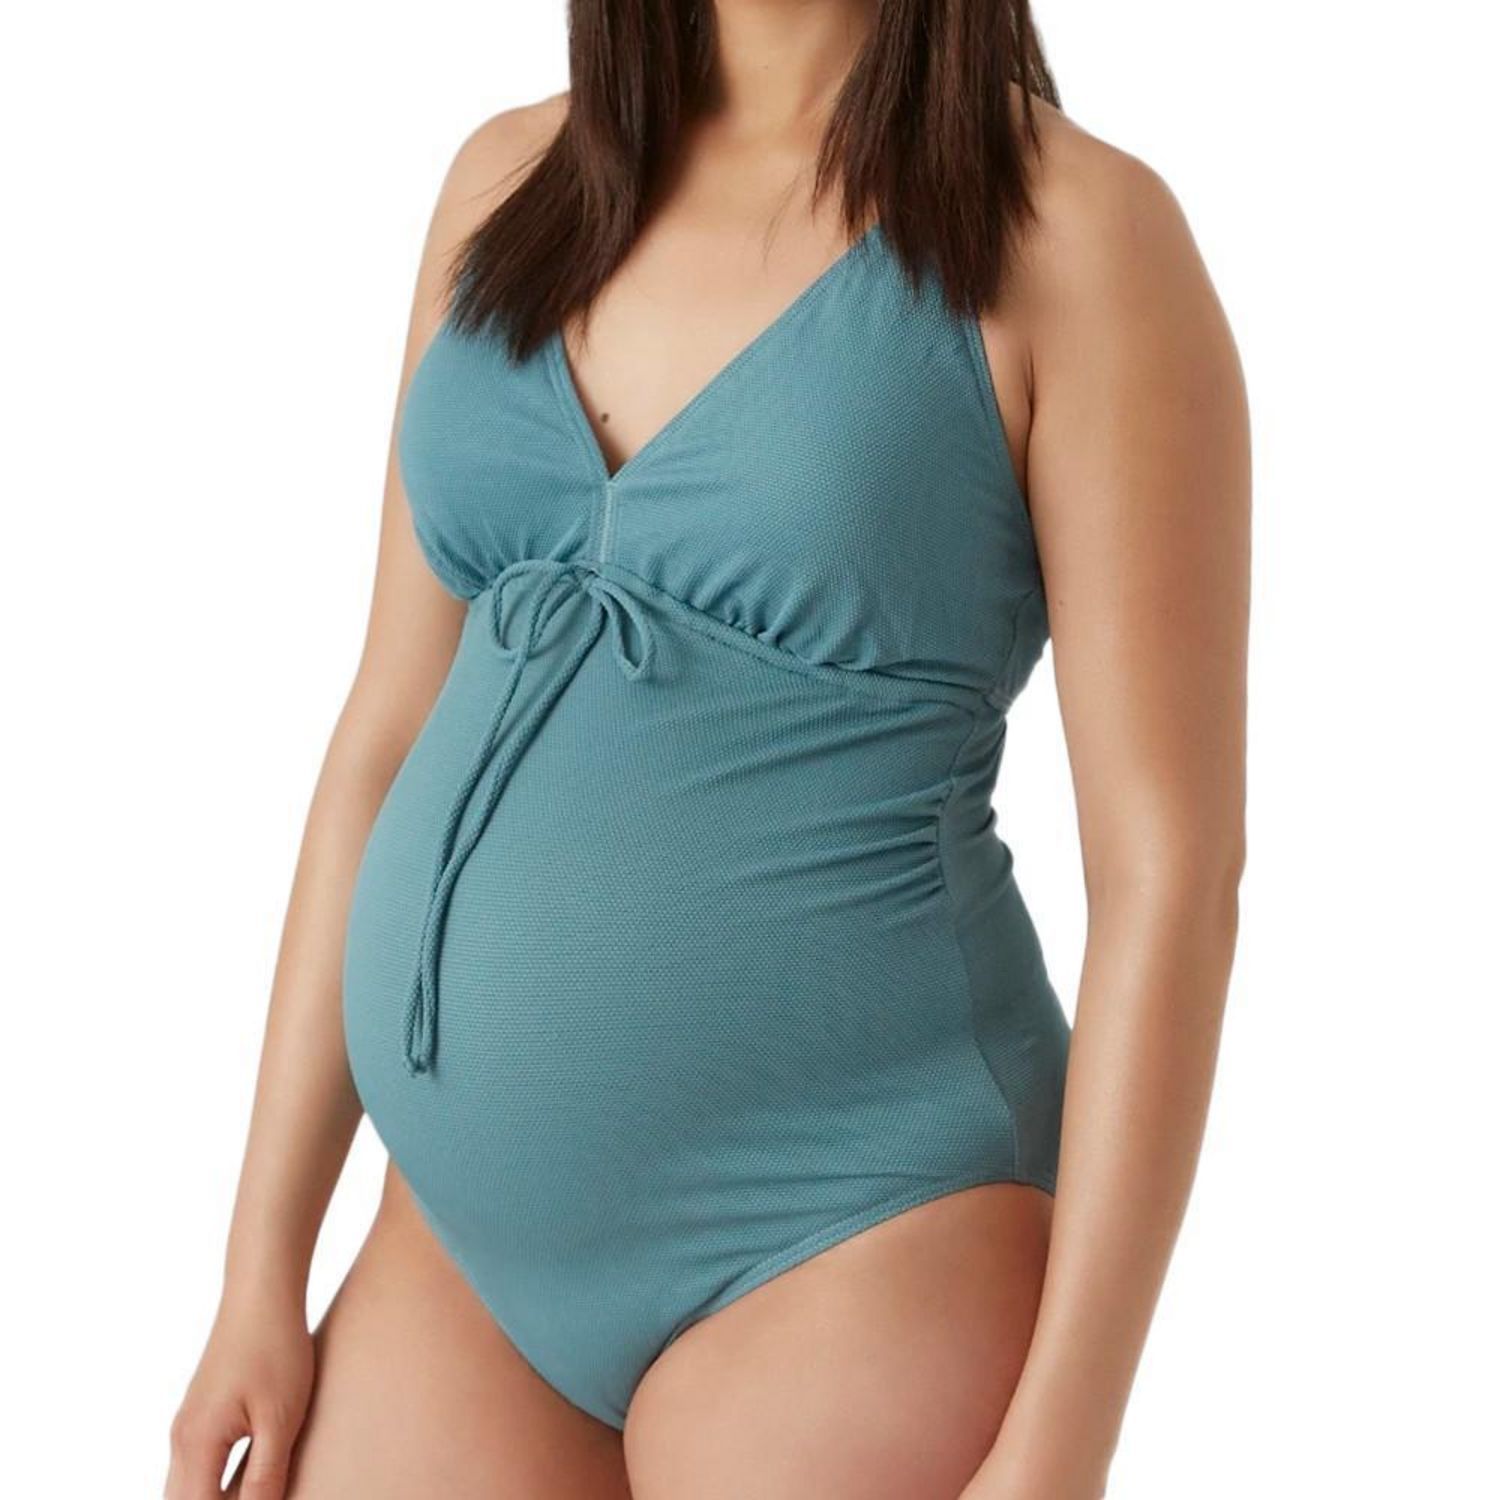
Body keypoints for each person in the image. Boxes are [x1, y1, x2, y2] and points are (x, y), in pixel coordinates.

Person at [167, 2, 1249, 1496]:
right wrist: (259, 1269)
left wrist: (1063, 1443)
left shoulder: (1078, 234)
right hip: (458, 1251)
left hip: (852, 1233)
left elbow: (1169, 878)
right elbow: (384, 735)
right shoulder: (508, 187)